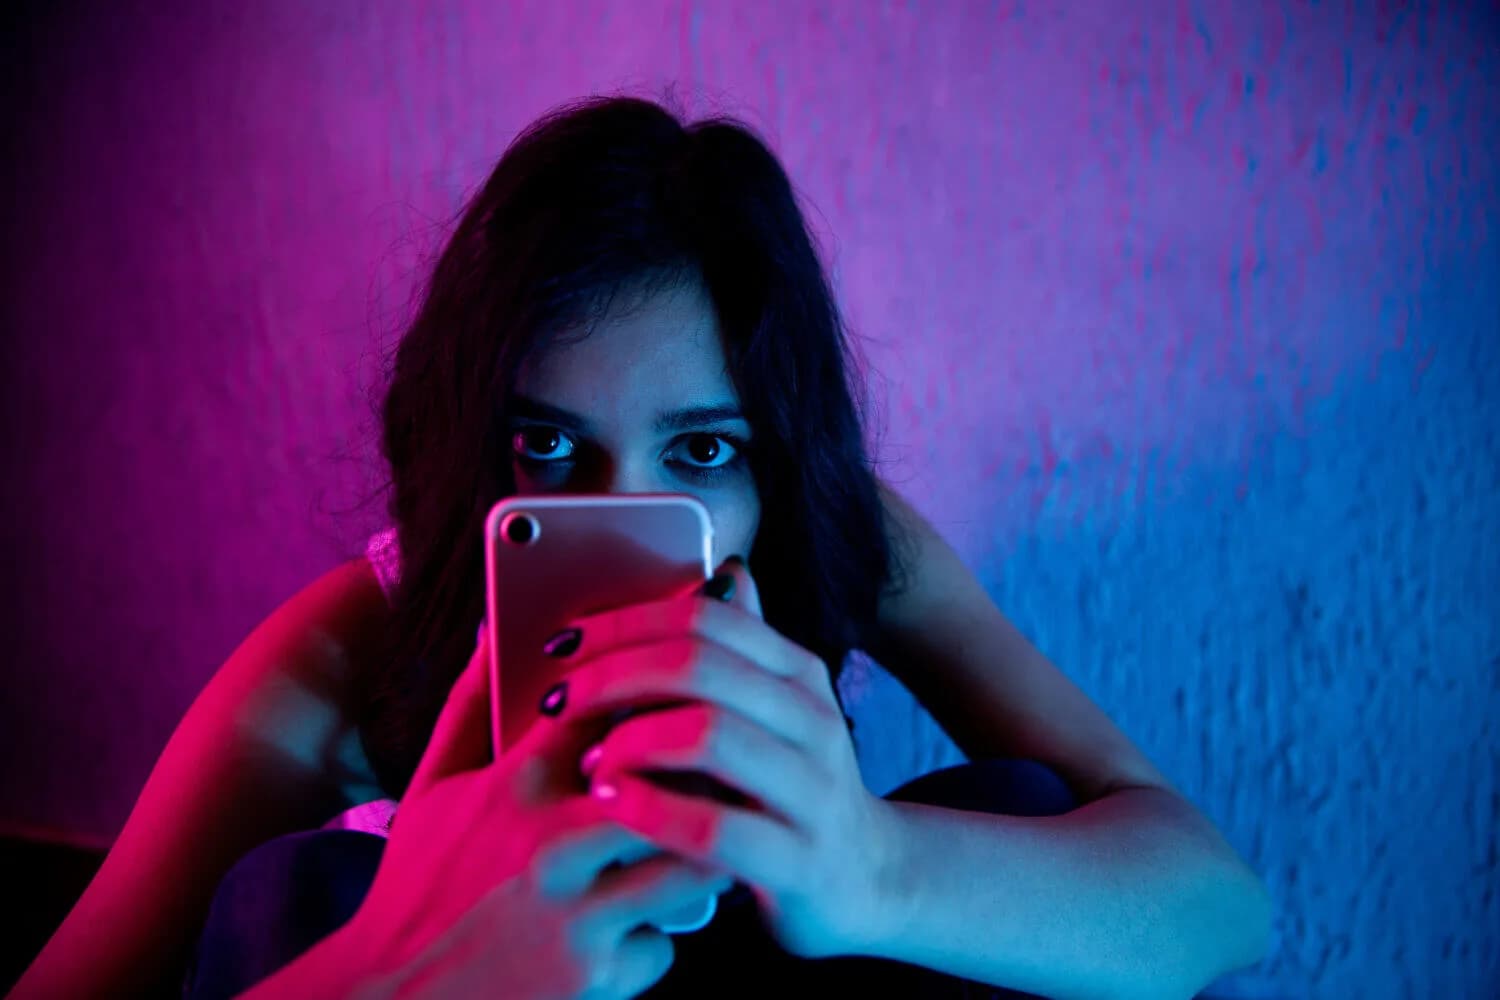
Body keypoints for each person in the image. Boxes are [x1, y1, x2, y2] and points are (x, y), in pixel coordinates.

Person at [14, 94, 1271, 999]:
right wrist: (392, 971)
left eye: (703, 453)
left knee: (1025, 815)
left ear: (777, 459)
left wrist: (878, 869)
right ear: (475, 444)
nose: (623, 515)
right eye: (549, 448)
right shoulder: (362, 636)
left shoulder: (839, 539)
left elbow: (1215, 901)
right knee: (291, 900)